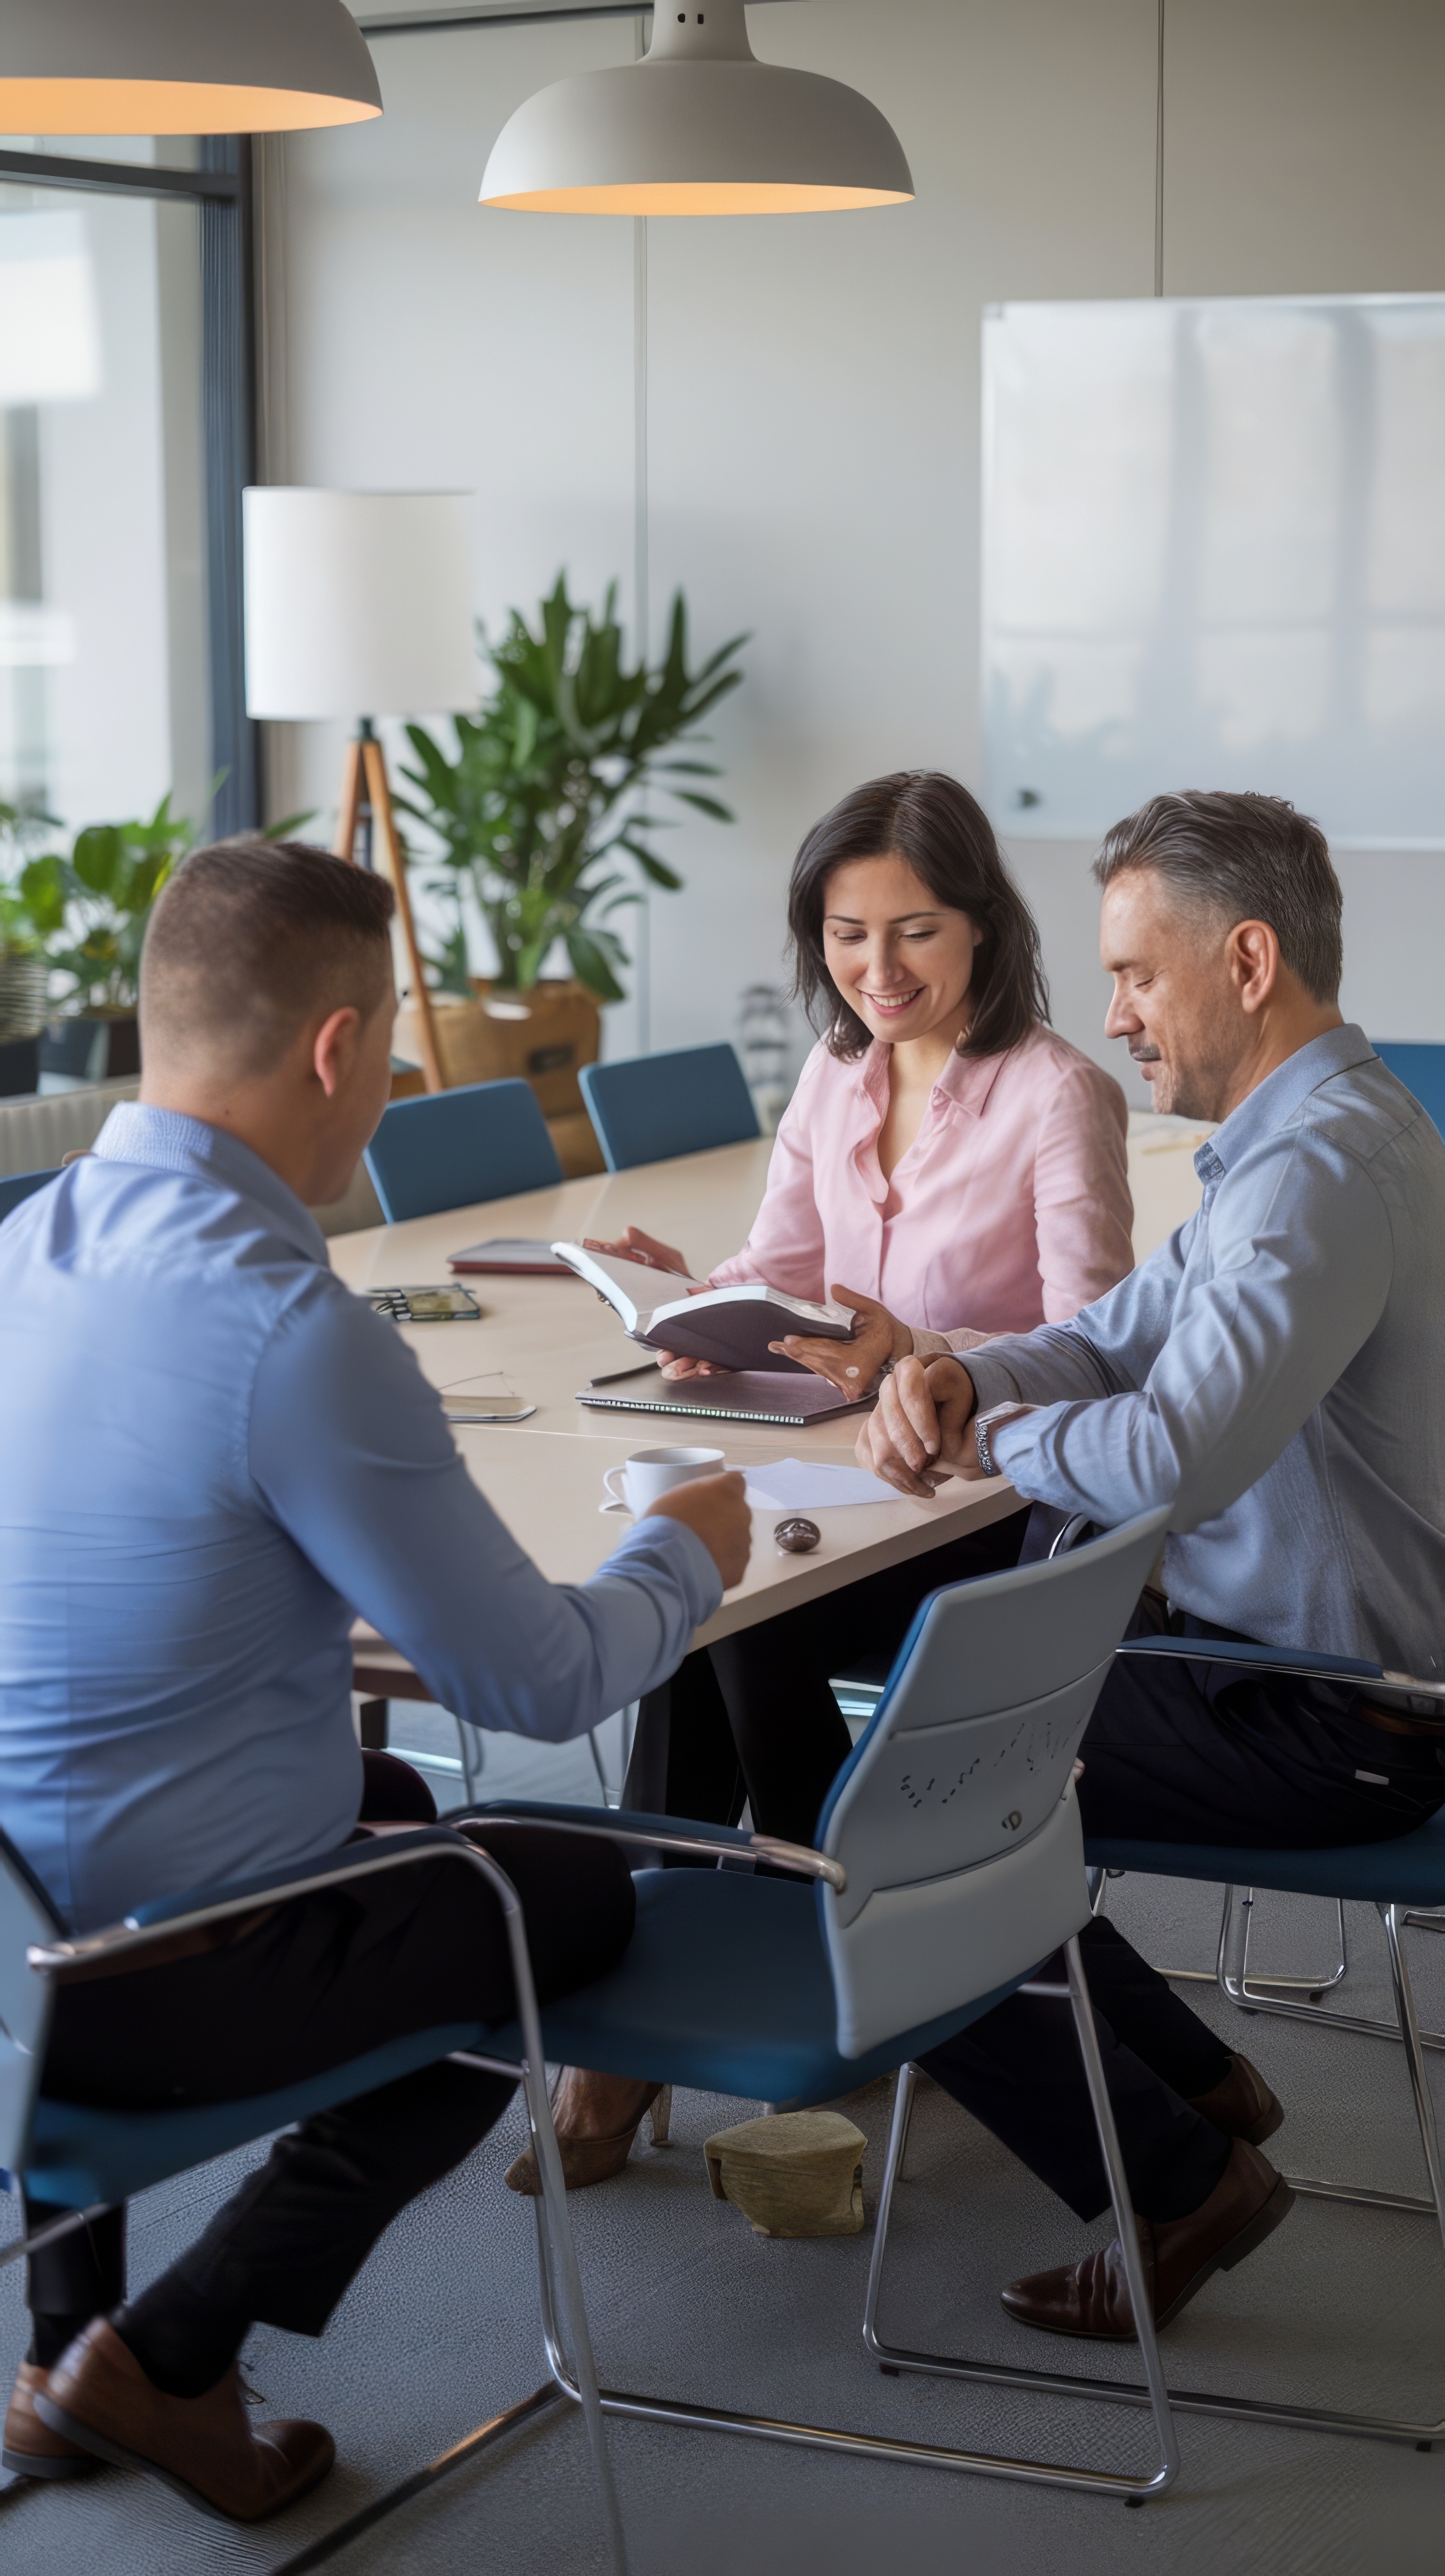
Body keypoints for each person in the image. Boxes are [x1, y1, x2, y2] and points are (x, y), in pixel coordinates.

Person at [0, 838, 751, 2517]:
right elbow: (542, 1686)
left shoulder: (28, 1246)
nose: (395, 1088)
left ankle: (66, 2347)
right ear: (337, 1052)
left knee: (395, 1801)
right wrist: (689, 1543)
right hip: (129, 1989)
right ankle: (164, 2352)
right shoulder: (289, 1323)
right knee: (561, 1892)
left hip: (9, 1946)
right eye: (394, 1054)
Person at [857, 788, 1445, 2339]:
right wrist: (971, 1379)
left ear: (1245, 961)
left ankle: (1183, 2172)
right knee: (927, 1740)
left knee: (897, 1822)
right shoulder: (1302, 1139)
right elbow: (1118, 1334)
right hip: (1288, 1680)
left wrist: (991, 1447)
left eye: (1133, 974)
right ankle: (1196, 2085)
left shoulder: (1314, 1178)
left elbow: (1174, 1456)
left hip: (1337, 1720)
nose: (1110, 1015)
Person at [520, 770, 1133, 2192]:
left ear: (982, 927)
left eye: (913, 932)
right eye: (847, 937)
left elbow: (1095, 1340)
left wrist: (920, 1348)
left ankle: (747, 1970)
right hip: (829, 1476)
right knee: (686, 1582)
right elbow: (776, 1272)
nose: (878, 970)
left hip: (980, 1504)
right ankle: (758, 1965)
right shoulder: (834, 1074)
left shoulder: (1058, 1094)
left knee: (734, 1611)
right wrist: (683, 1305)